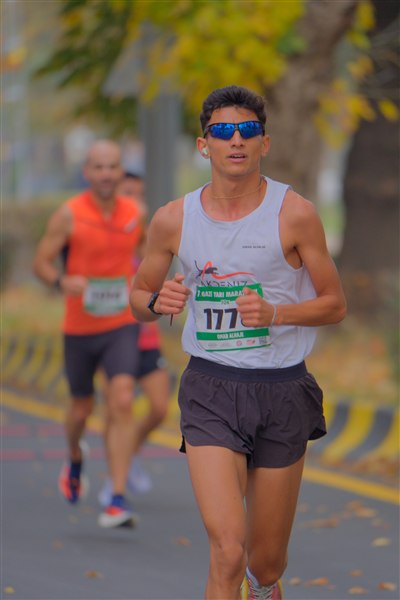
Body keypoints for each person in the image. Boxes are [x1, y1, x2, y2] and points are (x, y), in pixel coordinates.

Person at [130, 85, 346, 599]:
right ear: (204, 145)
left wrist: (276, 313)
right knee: (227, 550)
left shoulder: (294, 213)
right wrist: (158, 301)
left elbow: (334, 304)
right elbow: (137, 297)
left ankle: (265, 587)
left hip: (282, 390)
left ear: (263, 143)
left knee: (264, 563)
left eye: (247, 130)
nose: (236, 140)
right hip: (211, 387)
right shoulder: (174, 218)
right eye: (223, 131)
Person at [33, 140, 145, 528]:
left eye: (112, 166)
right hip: (79, 327)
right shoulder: (69, 214)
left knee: (122, 398)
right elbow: (41, 262)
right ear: (87, 172)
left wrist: (148, 287)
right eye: (98, 167)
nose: (106, 174)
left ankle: (116, 497)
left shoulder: (136, 213)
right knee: (81, 408)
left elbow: (150, 255)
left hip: (120, 324)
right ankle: (74, 457)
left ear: (121, 170)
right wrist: (61, 281)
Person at [98, 171, 170, 506]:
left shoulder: (146, 239)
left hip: (146, 338)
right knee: (117, 410)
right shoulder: (105, 237)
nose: (136, 200)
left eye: (139, 194)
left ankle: (130, 454)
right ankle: (115, 481)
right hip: (112, 338)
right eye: (129, 193)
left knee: (159, 408)